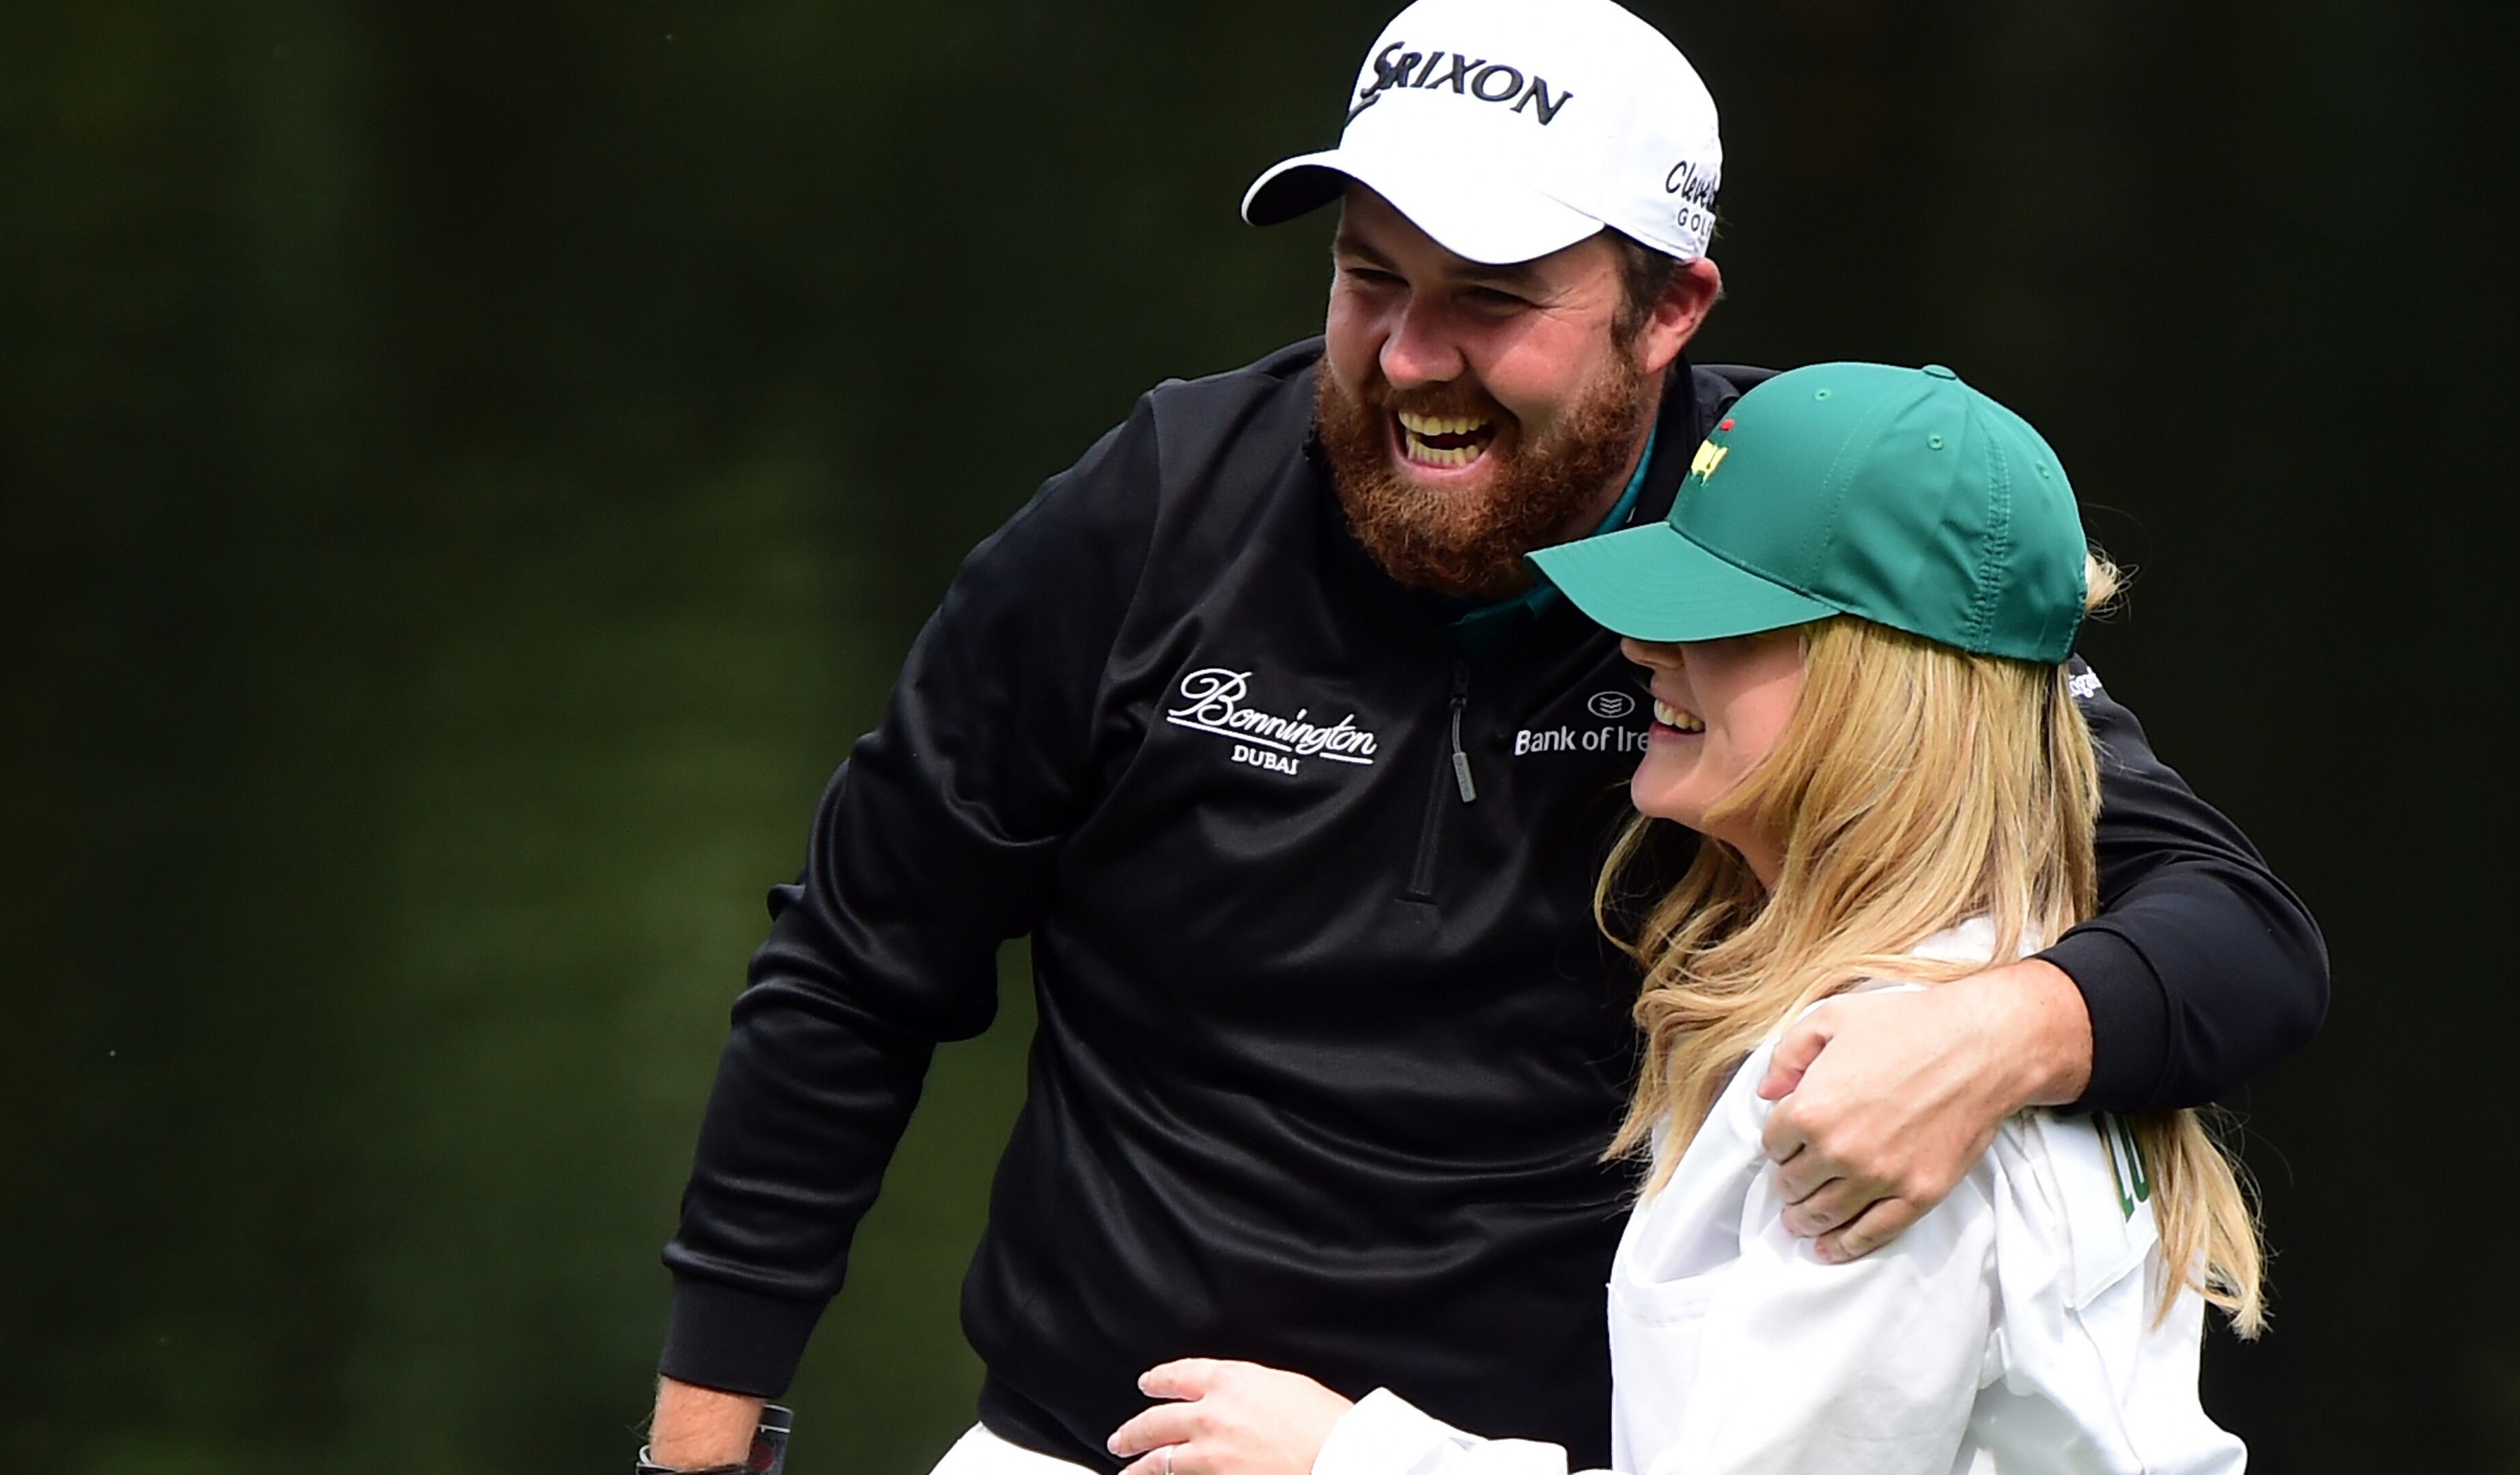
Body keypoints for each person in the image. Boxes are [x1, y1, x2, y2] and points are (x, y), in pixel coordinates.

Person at [643, 2, 2327, 1471]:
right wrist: (707, 1446)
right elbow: (855, 970)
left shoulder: (1799, 553)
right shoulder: (1150, 512)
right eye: (1368, 278)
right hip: (1093, 1438)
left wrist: (1999, 1037)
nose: (1409, 356)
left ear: (1667, 312)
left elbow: (2241, 935)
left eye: (1493, 299)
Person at [1105, 362, 2265, 1475]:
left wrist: (1343, 1458)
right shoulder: (1984, 975)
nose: (1643, 647)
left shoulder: (1883, 1102)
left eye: (1722, 621)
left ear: (1886, 687)